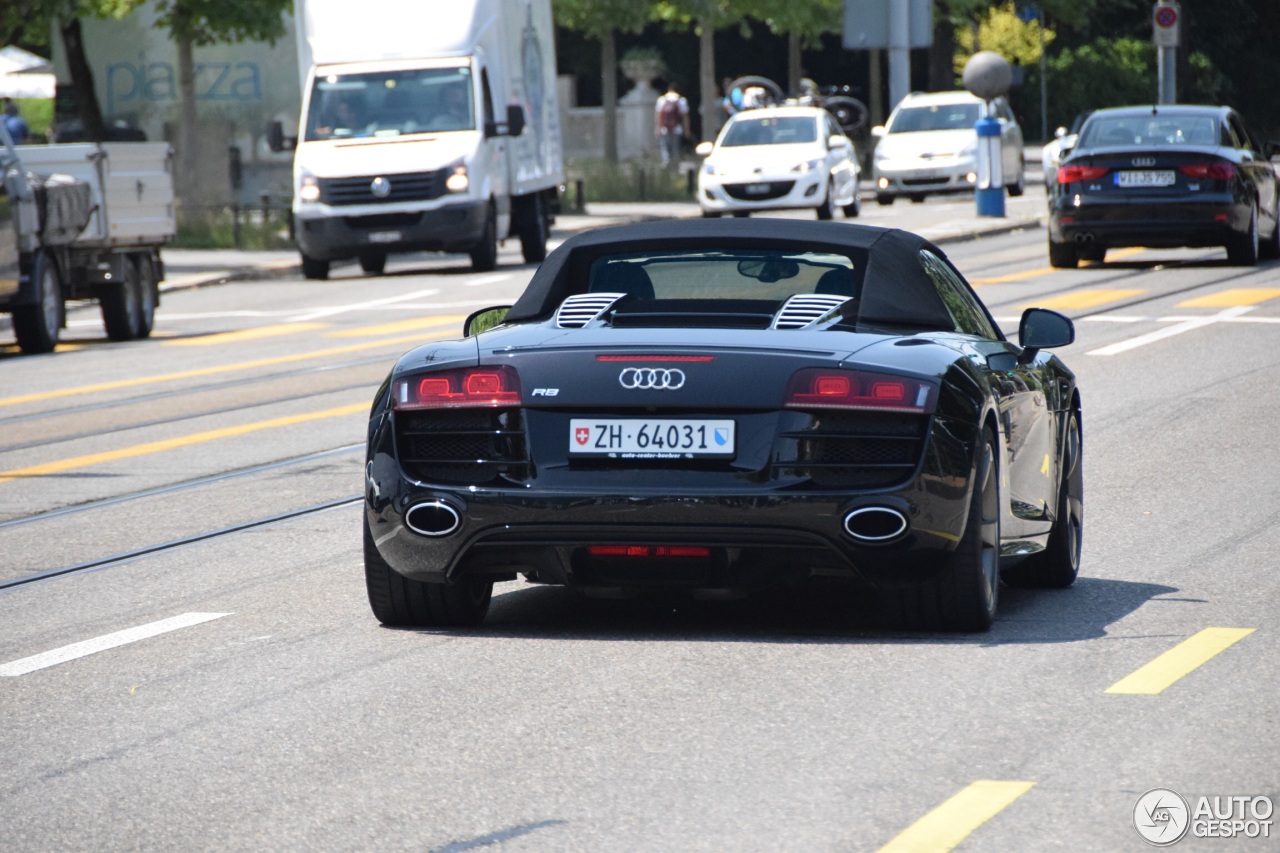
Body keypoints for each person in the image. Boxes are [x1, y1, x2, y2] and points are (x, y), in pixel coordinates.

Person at [654, 82, 690, 169]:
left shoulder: (662, 100)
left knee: (665, 148)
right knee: (675, 149)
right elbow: (685, 117)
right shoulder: (681, 101)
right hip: (676, 129)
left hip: (664, 129)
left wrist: (657, 128)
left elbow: (658, 115)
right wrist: (686, 130)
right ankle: (675, 168)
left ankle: (666, 166)